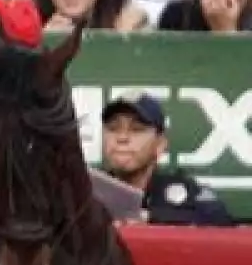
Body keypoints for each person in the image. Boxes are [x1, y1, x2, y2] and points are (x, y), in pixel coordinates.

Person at [101, 92, 236, 225]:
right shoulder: (89, 191)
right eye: (113, 128)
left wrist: (149, 217)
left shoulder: (182, 193)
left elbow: (220, 220)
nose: (122, 138)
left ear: (160, 145)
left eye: (136, 129)